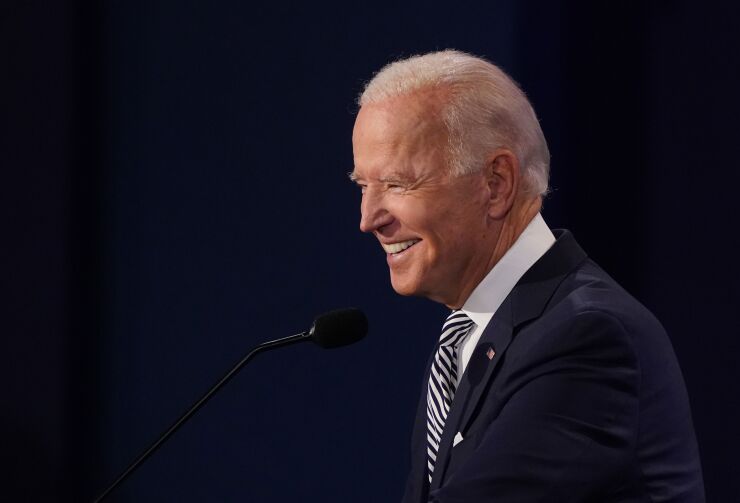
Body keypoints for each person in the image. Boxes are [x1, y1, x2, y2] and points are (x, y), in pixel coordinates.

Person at [350, 50, 704, 502]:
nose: (368, 218)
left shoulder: (587, 336)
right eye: (364, 186)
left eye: (397, 184)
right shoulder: (471, 337)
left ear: (496, 184)